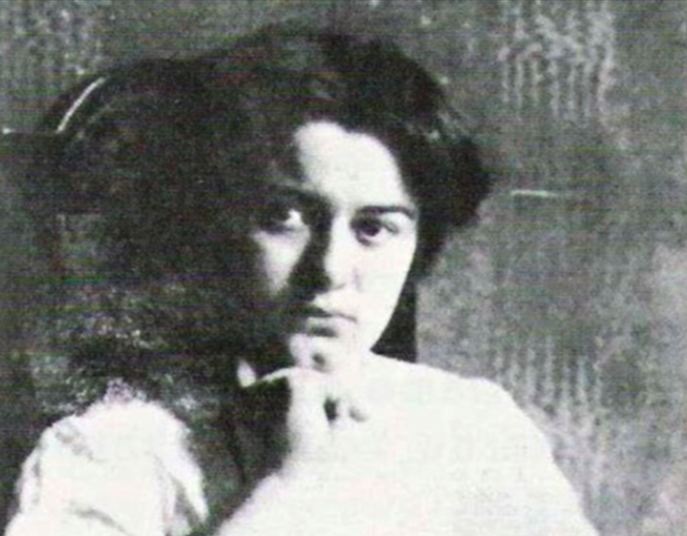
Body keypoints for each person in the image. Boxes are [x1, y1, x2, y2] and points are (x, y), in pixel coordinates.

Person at [4, 24, 598, 536]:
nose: (331, 269)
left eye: (374, 228)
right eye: (285, 217)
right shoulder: (111, 451)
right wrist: (291, 485)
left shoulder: (472, 426)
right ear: (214, 222)